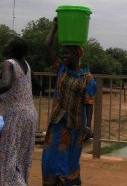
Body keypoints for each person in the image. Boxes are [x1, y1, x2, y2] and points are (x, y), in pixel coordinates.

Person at [42, 18, 96, 186]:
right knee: (50, 158)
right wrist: (55, 27)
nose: (64, 56)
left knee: (69, 161)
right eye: (63, 53)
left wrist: (88, 126)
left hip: (74, 127)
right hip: (57, 122)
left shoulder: (88, 79)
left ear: (77, 55)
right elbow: (46, 47)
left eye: (67, 53)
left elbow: (89, 103)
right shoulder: (60, 70)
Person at [0, 36, 38, 186]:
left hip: (15, 115)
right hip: (30, 114)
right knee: (22, 156)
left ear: (12, 50)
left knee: (8, 155)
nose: (4, 47)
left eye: (7, 45)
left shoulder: (8, 63)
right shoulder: (26, 65)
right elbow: (37, 85)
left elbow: (6, 84)